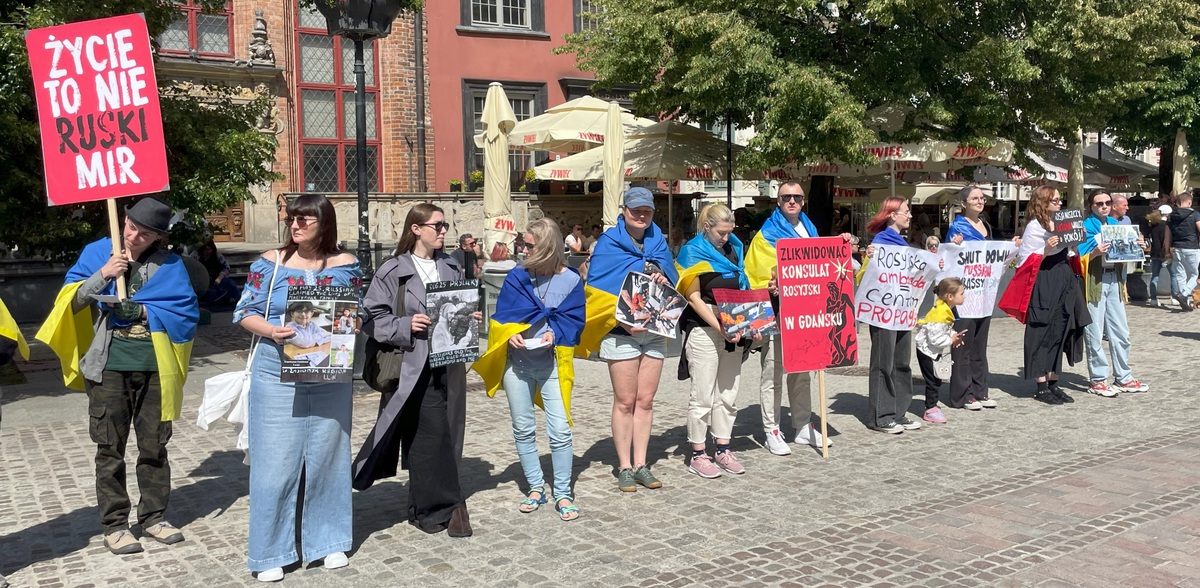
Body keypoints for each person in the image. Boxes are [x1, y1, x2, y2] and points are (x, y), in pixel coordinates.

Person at [36, 198, 198, 555]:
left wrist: (141, 309)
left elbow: (186, 313)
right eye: (131, 227)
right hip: (108, 366)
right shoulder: (99, 252)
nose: (134, 236)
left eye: (145, 233)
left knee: (155, 445)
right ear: (123, 221)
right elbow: (71, 301)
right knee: (110, 447)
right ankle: (114, 524)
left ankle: (153, 517)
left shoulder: (170, 265)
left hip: (156, 366)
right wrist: (104, 275)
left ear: (158, 237)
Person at [232, 194, 361, 581]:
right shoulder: (270, 264)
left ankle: (329, 541)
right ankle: (270, 551)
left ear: (325, 222)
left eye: (306, 219)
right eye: (293, 219)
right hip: (275, 370)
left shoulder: (348, 265)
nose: (297, 225)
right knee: (274, 464)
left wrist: (354, 324)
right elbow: (244, 312)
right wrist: (272, 330)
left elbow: (360, 308)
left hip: (329, 370)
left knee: (330, 455)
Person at [352, 203, 478, 538]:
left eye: (444, 225)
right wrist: (406, 324)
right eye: (436, 225)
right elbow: (370, 316)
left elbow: (459, 308)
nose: (443, 231)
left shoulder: (451, 266)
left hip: (448, 362)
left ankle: (421, 506)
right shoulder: (393, 269)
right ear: (416, 229)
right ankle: (442, 507)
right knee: (432, 432)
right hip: (410, 363)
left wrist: (470, 317)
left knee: (435, 433)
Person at [473, 218, 586, 521]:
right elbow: (501, 317)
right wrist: (510, 332)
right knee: (523, 429)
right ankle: (536, 486)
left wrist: (555, 335)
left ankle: (563, 492)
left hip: (552, 366)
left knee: (561, 431)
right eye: (522, 244)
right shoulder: (517, 276)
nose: (521, 249)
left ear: (547, 246)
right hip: (517, 364)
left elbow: (575, 321)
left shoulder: (572, 280)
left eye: (528, 245)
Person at [577, 187, 678, 492]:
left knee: (645, 401)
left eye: (646, 210)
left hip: (654, 333)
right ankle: (623, 466)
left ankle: (641, 464)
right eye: (635, 210)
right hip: (621, 333)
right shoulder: (608, 243)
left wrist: (663, 276)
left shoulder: (658, 240)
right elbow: (596, 291)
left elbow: (673, 280)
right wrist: (623, 319)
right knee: (625, 401)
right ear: (624, 210)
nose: (641, 215)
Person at [744, 181, 849, 454]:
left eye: (797, 197)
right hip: (779, 313)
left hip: (807, 312)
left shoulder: (809, 228)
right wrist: (771, 283)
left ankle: (802, 425)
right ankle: (772, 429)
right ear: (778, 202)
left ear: (803, 201)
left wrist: (842, 244)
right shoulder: (766, 235)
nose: (792, 201)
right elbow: (754, 273)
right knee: (774, 373)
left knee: (803, 371)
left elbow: (821, 265)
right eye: (786, 197)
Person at [676, 204, 756, 478]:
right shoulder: (691, 251)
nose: (725, 237)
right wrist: (719, 325)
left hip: (733, 328)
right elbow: (693, 297)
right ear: (706, 227)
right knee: (703, 395)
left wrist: (751, 322)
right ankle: (698, 453)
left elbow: (743, 288)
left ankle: (723, 446)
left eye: (729, 232)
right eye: (721, 232)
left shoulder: (734, 249)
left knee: (728, 393)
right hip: (705, 328)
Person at [998, 186, 1090, 405]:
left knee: (1061, 327)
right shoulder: (1034, 226)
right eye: (1054, 200)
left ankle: (1053, 382)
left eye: (1060, 199)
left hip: (1063, 275)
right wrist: (1047, 249)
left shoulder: (1061, 223)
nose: (1059, 203)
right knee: (1042, 328)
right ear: (1043, 201)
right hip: (1044, 278)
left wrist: (1075, 243)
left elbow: (1070, 250)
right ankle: (1040, 385)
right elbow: (1025, 260)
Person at [944, 185, 1019, 411]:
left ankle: (980, 390)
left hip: (983, 294)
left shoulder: (985, 224)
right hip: (964, 295)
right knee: (963, 345)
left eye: (982, 198)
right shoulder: (957, 227)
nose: (980, 201)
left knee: (979, 346)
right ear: (964, 203)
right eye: (975, 198)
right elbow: (949, 257)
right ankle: (963, 394)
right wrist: (953, 244)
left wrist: (1011, 248)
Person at [859, 197, 928, 433]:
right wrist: (869, 256)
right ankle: (881, 416)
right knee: (883, 363)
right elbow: (870, 278)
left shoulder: (900, 242)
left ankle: (899, 412)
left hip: (902, 310)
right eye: (906, 212)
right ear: (892, 215)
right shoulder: (881, 242)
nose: (909, 216)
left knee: (901, 362)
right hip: (884, 312)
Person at [1077, 189, 1149, 397]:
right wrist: (1094, 252)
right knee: (1095, 331)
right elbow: (1077, 255)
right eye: (1099, 203)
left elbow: (1126, 254)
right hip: (1095, 281)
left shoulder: (1116, 225)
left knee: (1120, 330)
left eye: (1107, 202)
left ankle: (1123, 377)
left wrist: (1137, 246)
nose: (1104, 206)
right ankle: (1098, 379)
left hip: (1115, 280)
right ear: (1091, 206)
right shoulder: (1085, 227)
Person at [913, 278, 966, 424]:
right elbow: (935, 338)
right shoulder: (940, 313)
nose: (964, 296)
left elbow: (945, 330)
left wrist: (953, 335)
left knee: (936, 378)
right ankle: (930, 408)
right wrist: (951, 340)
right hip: (927, 351)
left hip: (932, 350)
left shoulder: (945, 309)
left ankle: (932, 405)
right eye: (961, 293)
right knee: (933, 380)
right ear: (950, 296)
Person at [1167, 190, 1200, 310]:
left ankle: (1184, 302)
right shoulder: (1195, 214)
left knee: (1180, 275)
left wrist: (1167, 248)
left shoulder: (1172, 216)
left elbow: (1167, 233)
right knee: (1194, 274)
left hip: (1177, 248)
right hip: (1192, 247)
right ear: (1189, 202)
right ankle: (1184, 294)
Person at [191, 239, 240, 307]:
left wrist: (220, 277)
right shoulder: (195, 256)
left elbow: (226, 267)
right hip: (201, 282)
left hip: (216, 279)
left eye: (209, 249)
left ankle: (239, 300)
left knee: (229, 283)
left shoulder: (218, 256)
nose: (207, 252)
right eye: (206, 250)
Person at [1147, 204, 1172, 306]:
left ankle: (1153, 298)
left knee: (1155, 276)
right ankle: (1174, 296)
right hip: (1166, 253)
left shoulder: (1153, 225)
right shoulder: (1168, 226)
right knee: (1173, 275)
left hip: (1154, 253)